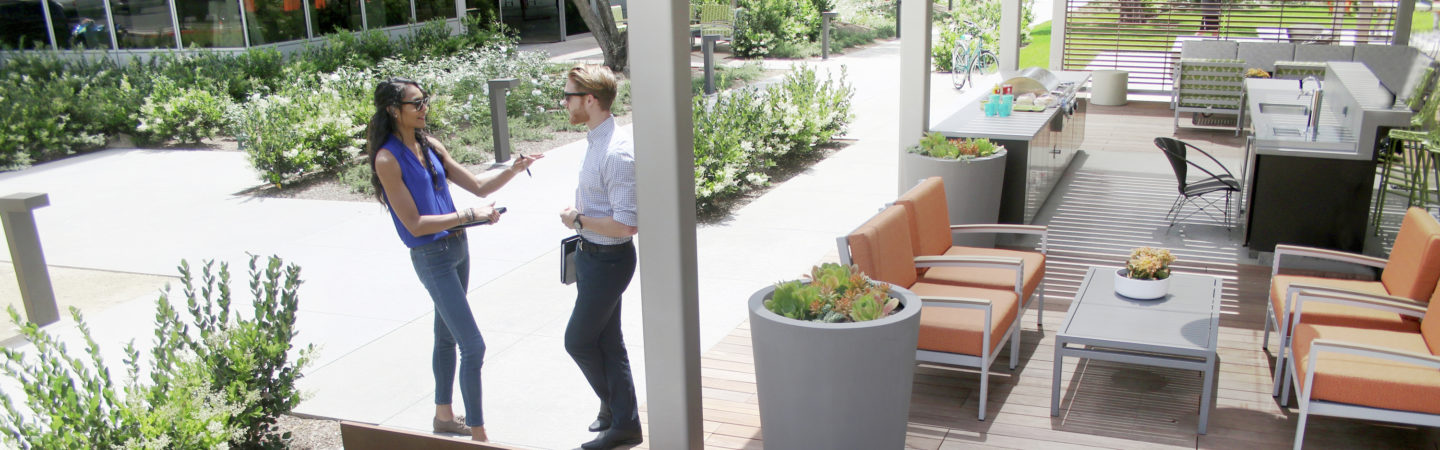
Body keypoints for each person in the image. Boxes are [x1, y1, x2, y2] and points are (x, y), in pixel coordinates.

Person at [366, 78, 539, 442]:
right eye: (416, 103)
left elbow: (477, 185)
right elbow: (414, 224)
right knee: (473, 345)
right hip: (432, 257)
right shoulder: (386, 159)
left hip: (459, 249)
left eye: (424, 99)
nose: (424, 107)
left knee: (445, 335)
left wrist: (512, 168)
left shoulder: (430, 146)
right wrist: (468, 216)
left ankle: (443, 417)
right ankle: (479, 435)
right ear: (393, 110)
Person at [557, 64, 642, 450]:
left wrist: (577, 219)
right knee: (609, 342)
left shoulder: (617, 152)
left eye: (569, 95)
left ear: (589, 100)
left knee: (577, 340)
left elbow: (626, 225)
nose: (564, 102)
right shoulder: (596, 140)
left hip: (609, 261)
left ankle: (620, 414)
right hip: (592, 259)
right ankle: (618, 419)